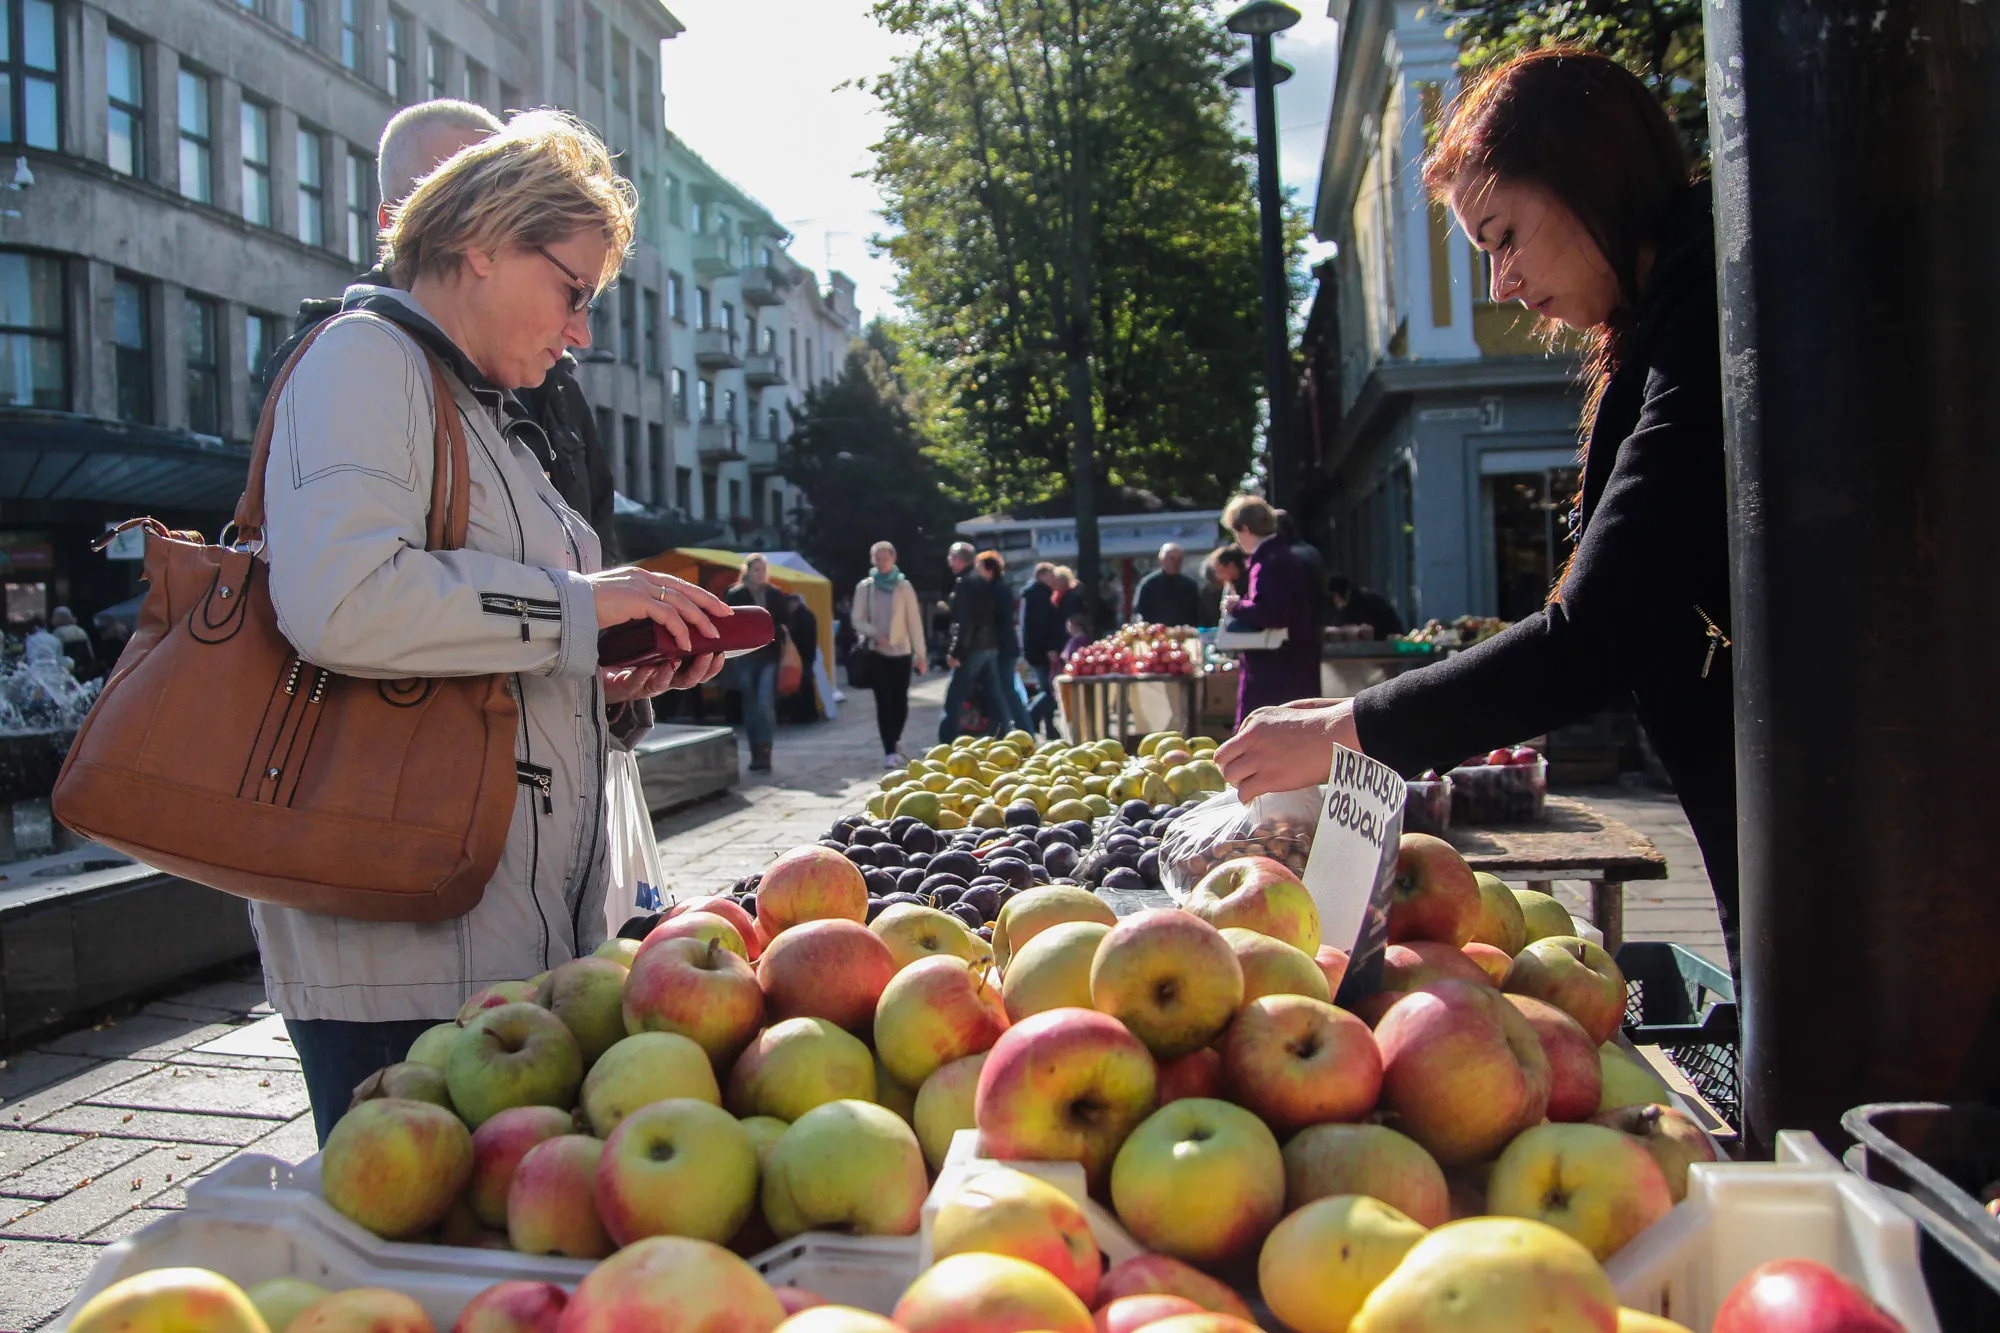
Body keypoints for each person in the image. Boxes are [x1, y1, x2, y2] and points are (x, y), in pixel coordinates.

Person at [251, 110, 730, 1142]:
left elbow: (462, 636)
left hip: (482, 935)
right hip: (404, 949)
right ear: (480, 242)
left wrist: (596, 678)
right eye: (571, 290)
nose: (580, 331)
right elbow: (339, 600)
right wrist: (577, 609)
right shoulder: (364, 361)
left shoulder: (480, 407)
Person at [1216, 49, 1741, 969]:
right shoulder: (1673, 318)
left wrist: (1348, 731)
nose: (1500, 285)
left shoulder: (1713, 321)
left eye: (1503, 236)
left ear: (1588, 176)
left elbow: (1598, 629)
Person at [1219, 495, 1321, 726]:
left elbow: (1271, 613)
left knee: (1261, 733)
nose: (1237, 540)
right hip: (1294, 662)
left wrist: (1237, 607)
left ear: (1245, 529)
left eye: (1236, 532)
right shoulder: (1283, 555)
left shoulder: (1267, 563)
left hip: (1273, 669)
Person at [853, 540, 929, 765]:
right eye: (877, 557)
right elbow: (857, 618)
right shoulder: (865, 587)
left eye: (885, 557)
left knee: (900, 701)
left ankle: (895, 739)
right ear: (872, 560)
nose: (882, 561)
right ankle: (889, 750)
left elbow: (914, 622)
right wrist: (874, 633)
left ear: (893, 559)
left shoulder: (904, 587)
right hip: (877, 652)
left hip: (902, 651)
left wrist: (921, 654)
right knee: (883, 700)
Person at [726, 554, 790, 772]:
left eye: (763, 569)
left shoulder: (774, 594)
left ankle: (766, 750)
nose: (760, 573)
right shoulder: (736, 594)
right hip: (744, 656)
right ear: (747, 571)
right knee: (750, 704)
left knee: (764, 703)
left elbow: (784, 620)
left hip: (769, 656)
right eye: (756, 570)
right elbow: (729, 622)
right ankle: (755, 751)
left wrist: (778, 633)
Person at [939, 542, 1002, 742]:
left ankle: (947, 742)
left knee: (955, 696)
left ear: (958, 559)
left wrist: (956, 652)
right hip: (989, 644)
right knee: (993, 695)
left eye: (950, 558)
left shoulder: (964, 584)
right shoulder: (983, 581)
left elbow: (964, 621)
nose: (949, 562)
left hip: (973, 647)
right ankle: (1000, 736)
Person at [984, 551, 1037, 736]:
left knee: (1007, 691)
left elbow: (997, 619)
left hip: (1002, 647)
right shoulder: (1002, 587)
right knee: (1004, 690)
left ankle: (1024, 731)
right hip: (1006, 646)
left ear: (988, 569)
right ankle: (1010, 730)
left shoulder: (996, 589)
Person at [1131, 544, 1202, 629]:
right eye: (1172, 558)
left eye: (1179, 559)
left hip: (1185, 635)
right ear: (1162, 560)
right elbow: (1138, 613)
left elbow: (1199, 615)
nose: (1176, 563)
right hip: (1156, 635)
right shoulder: (1148, 584)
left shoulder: (1190, 586)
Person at [1329, 575, 1407, 641]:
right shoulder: (1359, 599)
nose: (1334, 601)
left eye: (1333, 597)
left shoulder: (1361, 603)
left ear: (1337, 594)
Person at [1200, 544, 1246, 627]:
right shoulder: (1230, 584)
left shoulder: (1249, 581)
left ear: (1231, 566)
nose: (1218, 576)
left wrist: (1239, 604)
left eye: (1219, 571)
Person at [47, 607, 95, 674]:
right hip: (84, 668)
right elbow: (90, 653)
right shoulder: (81, 631)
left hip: (66, 669)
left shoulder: (57, 633)